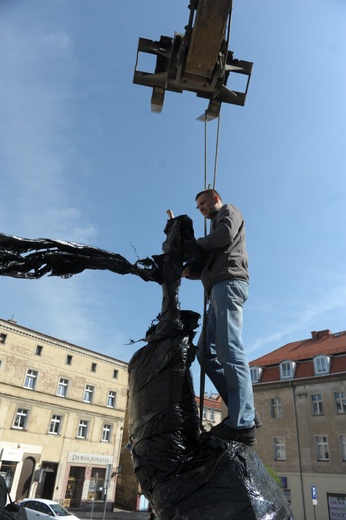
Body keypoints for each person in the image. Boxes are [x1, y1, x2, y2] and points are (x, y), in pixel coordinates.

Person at [183, 188, 257, 446]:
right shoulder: (213, 230)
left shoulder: (229, 211)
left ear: (215, 198)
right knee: (205, 353)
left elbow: (224, 235)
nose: (201, 208)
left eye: (203, 203)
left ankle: (242, 422)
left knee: (229, 349)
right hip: (216, 289)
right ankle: (244, 410)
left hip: (228, 284)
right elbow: (208, 262)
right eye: (198, 206)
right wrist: (189, 270)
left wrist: (194, 245)